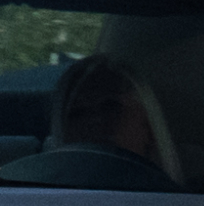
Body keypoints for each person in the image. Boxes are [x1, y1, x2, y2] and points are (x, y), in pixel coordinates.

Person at [50, 53, 185, 181]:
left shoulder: (187, 202)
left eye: (110, 108)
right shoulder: (40, 198)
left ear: (149, 126)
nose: (94, 121)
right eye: (78, 113)